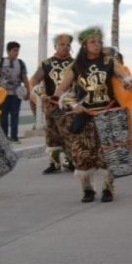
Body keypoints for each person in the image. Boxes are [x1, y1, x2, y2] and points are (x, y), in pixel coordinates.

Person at [54, 27, 132, 202]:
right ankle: (87, 189)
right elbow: (59, 91)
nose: (97, 45)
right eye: (92, 41)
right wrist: (73, 104)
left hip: (108, 113)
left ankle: (108, 188)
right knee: (82, 155)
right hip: (85, 115)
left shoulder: (110, 62)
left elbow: (124, 76)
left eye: (99, 41)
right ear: (84, 44)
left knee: (109, 155)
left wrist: (128, 82)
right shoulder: (75, 66)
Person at [29, 33, 75, 174]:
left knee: (69, 133)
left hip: (70, 104)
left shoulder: (76, 63)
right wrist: (41, 94)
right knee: (52, 134)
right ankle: (54, 163)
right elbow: (34, 81)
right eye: (62, 44)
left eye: (68, 45)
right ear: (55, 46)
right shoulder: (47, 64)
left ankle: (70, 161)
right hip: (51, 104)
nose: (65, 47)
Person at [0, 41, 30, 142]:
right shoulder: (1, 62)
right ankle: (4, 137)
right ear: (8, 51)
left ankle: (14, 137)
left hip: (16, 94)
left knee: (15, 115)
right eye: (14, 50)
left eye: (17, 50)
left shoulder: (20, 63)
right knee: (3, 116)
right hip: (2, 94)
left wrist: (28, 91)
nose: (16, 53)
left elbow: (25, 78)